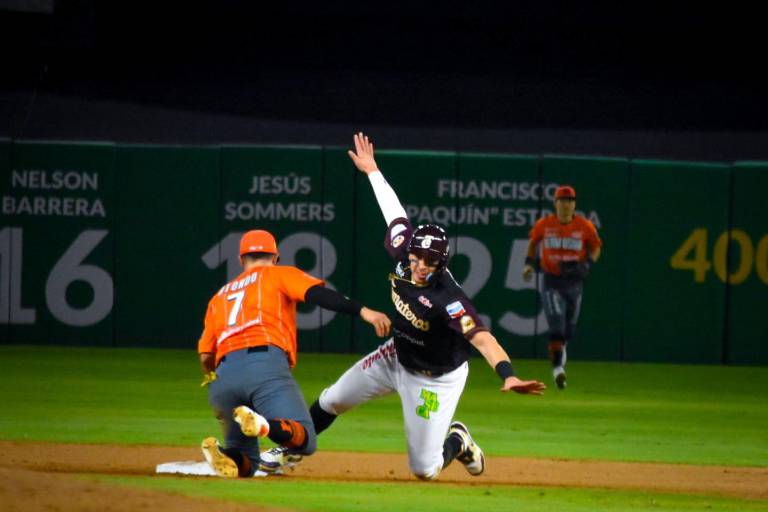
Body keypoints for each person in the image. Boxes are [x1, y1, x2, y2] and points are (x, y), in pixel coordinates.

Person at [262, 133, 546, 480]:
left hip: (435, 379)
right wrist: (372, 171)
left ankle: (457, 440)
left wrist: (508, 374)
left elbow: (484, 340)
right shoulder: (403, 253)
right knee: (331, 399)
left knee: (424, 469)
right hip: (395, 355)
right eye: (417, 256)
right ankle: (289, 452)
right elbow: (394, 213)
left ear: (441, 263)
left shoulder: (449, 299)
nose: (420, 265)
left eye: (429, 260)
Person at [197, 228, 391, 477]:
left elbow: (205, 357)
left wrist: (217, 387)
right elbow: (318, 295)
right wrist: (363, 311)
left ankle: (229, 454)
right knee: (305, 439)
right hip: (263, 363)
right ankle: (263, 425)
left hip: (222, 379)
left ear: (240, 259)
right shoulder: (279, 275)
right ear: (275, 257)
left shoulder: (219, 297)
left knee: (244, 463)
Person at [522, 185, 602, 390]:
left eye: (570, 201)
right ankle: (558, 369)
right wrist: (529, 264)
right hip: (552, 280)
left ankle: (560, 352)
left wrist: (588, 264)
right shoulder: (545, 224)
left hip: (574, 282)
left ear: (574, 204)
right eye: (562, 200)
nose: (566, 204)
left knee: (568, 330)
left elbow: (596, 247)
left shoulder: (585, 226)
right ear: (556, 203)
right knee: (556, 326)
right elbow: (533, 242)